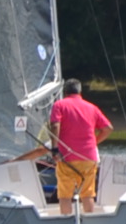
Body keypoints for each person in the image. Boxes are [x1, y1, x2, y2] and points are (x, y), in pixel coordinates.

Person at [45, 80, 113, 213]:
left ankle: (67, 222)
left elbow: (55, 125)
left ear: (65, 92)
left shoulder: (59, 105)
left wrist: (54, 148)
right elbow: (108, 128)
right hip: (88, 157)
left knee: (65, 195)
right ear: (80, 92)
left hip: (66, 157)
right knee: (87, 194)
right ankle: (89, 222)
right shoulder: (91, 107)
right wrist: (94, 142)